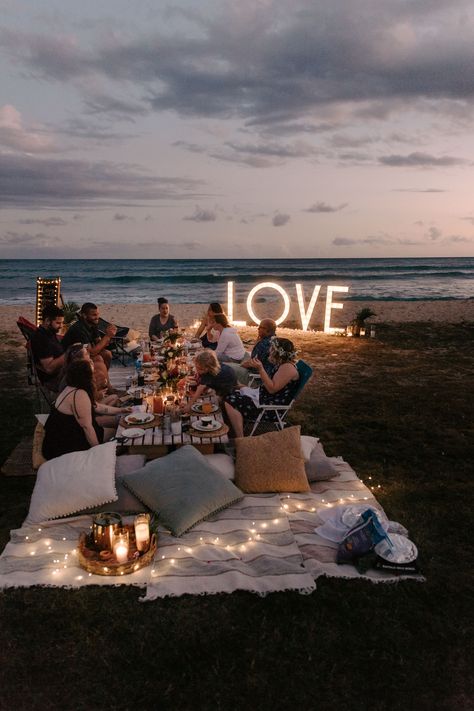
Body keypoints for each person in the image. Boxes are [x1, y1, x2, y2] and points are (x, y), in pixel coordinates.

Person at [42, 359, 130, 460]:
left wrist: (121, 410)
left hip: (66, 435)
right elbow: (88, 428)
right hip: (64, 444)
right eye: (92, 373)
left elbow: (98, 407)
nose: (94, 376)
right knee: (118, 437)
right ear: (85, 377)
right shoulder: (78, 395)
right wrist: (97, 452)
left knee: (115, 431)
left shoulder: (71, 388)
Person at [224, 338, 299, 438]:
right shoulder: (281, 364)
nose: (269, 351)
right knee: (230, 389)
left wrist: (260, 369)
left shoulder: (288, 368)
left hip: (268, 407)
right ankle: (229, 426)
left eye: (272, 349)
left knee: (229, 400)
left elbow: (272, 389)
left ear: (278, 352)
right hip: (263, 396)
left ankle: (240, 438)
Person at [61, 302, 116, 370]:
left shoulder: (93, 324)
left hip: (83, 352)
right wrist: (107, 336)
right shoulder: (79, 329)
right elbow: (92, 352)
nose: (97, 317)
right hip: (70, 356)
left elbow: (99, 343)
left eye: (97, 314)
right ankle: (94, 379)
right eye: (94, 315)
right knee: (98, 359)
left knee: (107, 354)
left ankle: (103, 378)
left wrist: (109, 336)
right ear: (84, 315)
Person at [227, 318, 277, 385]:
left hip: (255, 377)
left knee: (225, 367)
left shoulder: (263, 344)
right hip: (267, 375)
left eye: (260, 327)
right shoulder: (276, 341)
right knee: (246, 354)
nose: (258, 329)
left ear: (267, 330)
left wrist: (242, 365)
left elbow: (253, 364)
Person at [30, 304, 65, 392]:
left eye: (62, 322)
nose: (61, 326)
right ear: (47, 321)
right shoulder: (41, 338)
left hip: (62, 372)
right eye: (58, 323)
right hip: (54, 380)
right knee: (97, 372)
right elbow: (49, 368)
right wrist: (69, 353)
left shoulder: (49, 332)